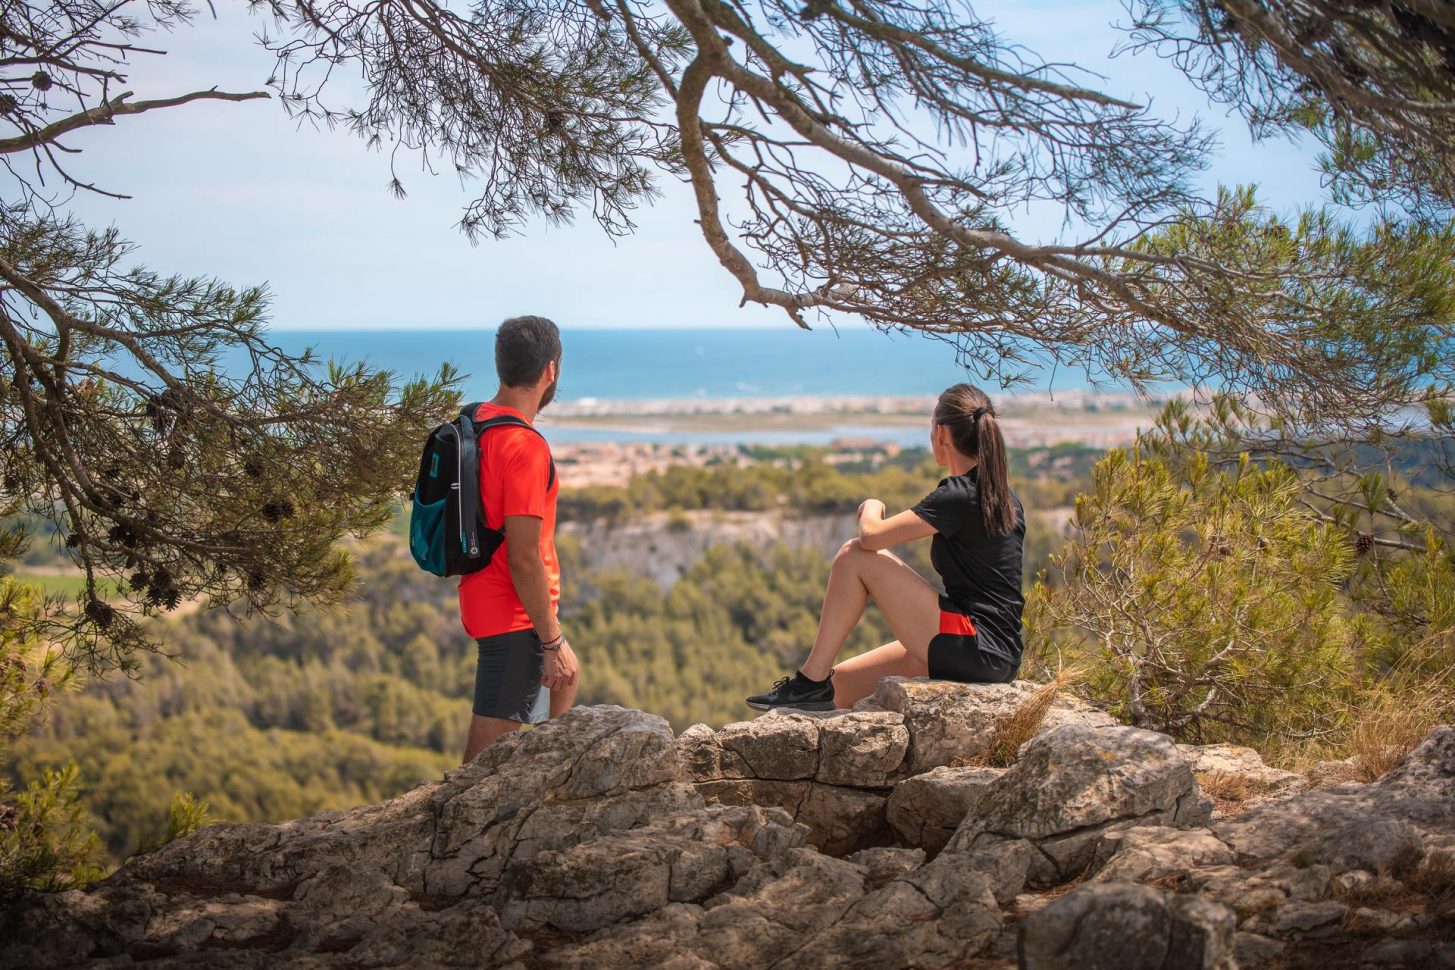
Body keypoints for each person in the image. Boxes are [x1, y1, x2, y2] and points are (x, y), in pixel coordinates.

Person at [746, 383, 1024, 711]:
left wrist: (872, 504)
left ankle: (809, 681)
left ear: (941, 434)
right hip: (991, 651)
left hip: (973, 643)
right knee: (842, 686)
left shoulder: (960, 493)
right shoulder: (1002, 497)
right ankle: (814, 688)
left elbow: (871, 538)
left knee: (854, 556)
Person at [459, 315, 580, 762]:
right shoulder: (525, 446)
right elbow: (524, 557)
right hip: (514, 616)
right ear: (551, 371)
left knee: (567, 683)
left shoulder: (476, 420)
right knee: (482, 768)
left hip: (483, 598)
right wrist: (551, 641)